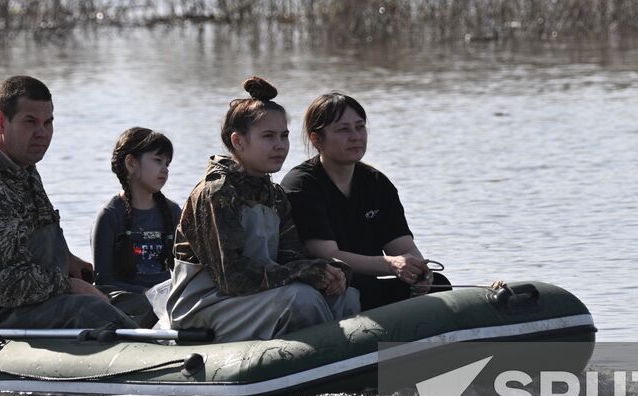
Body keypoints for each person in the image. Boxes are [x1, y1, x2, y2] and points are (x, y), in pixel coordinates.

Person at [0, 75, 136, 331]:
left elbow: (26, 238)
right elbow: (6, 286)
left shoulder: (22, 167)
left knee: (134, 302)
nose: (42, 133)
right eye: (30, 122)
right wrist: (70, 286)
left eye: (48, 123)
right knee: (90, 311)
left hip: (29, 300)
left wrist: (69, 262)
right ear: (0, 122)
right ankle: (161, 356)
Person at [166, 76, 360, 341]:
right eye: (268, 136)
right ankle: (332, 361)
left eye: (284, 136)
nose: (280, 145)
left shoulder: (275, 195)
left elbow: (290, 259)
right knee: (300, 299)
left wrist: (330, 270)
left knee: (345, 295)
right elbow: (231, 278)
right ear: (238, 141)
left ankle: (348, 370)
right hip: (206, 304)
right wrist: (302, 272)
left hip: (254, 297)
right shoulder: (217, 193)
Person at [281, 91, 450, 311]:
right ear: (317, 139)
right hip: (329, 290)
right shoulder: (302, 184)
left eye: (360, 127)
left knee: (438, 285)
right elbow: (328, 255)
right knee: (362, 289)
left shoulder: (376, 183)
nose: (356, 136)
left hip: (369, 286)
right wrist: (391, 265)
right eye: (343, 129)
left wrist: (420, 272)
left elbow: (403, 247)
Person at [90, 127, 180, 293]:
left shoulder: (173, 212)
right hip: (129, 306)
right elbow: (103, 282)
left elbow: (185, 270)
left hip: (168, 303)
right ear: (131, 163)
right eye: (158, 160)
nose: (165, 169)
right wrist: (148, 295)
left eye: (167, 163)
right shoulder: (110, 215)